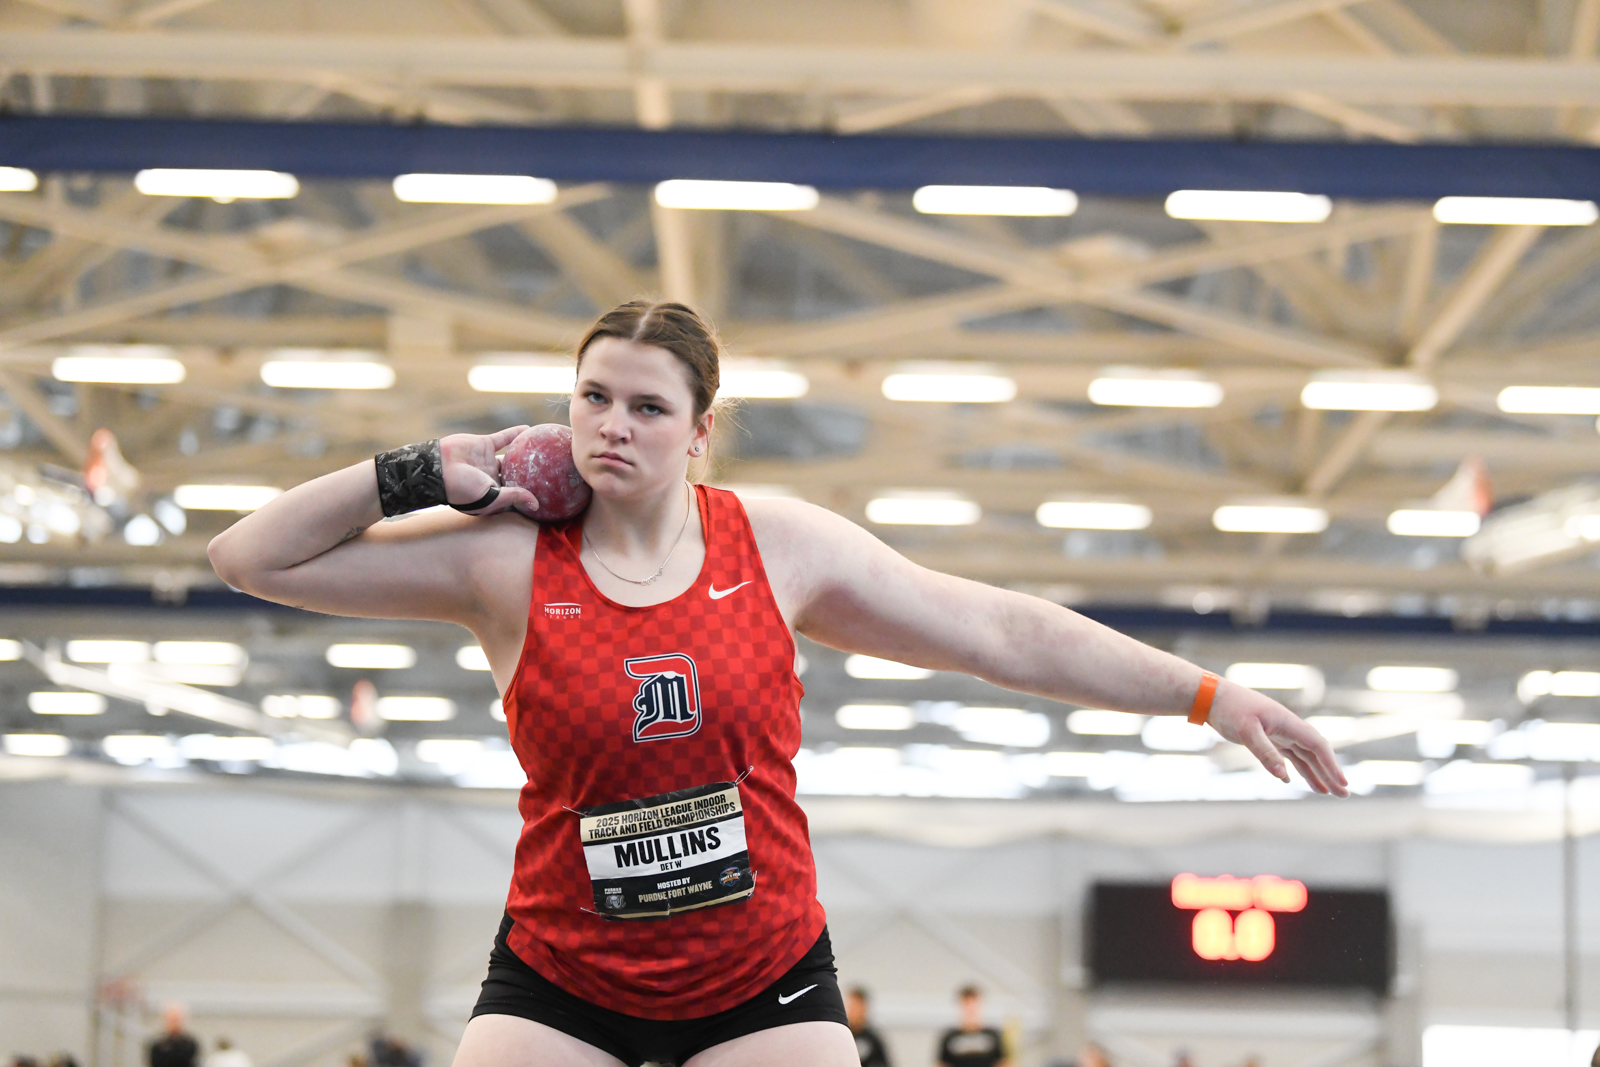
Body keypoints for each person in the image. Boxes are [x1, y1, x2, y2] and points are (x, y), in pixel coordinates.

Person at [208, 300, 1347, 1067]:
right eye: (592, 396)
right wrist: (418, 472)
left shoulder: (777, 545)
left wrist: (1210, 695)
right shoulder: (501, 561)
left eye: (647, 407)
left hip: (763, 984)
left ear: (699, 432)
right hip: (559, 979)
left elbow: (997, 630)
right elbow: (249, 557)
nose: (612, 425)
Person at [936, 986, 1007, 1067]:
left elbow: (1004, 1062)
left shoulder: (993, 1035)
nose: (971, 1008)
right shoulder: (950, 1037)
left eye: (973, 1003)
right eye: (967, 1003)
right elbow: (942, 1064)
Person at [844, 986, 890, 1067]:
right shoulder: (842, 1036)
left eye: (858, 1006)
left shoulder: (872, 1039)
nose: (854, 1011)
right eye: (852, 1006)